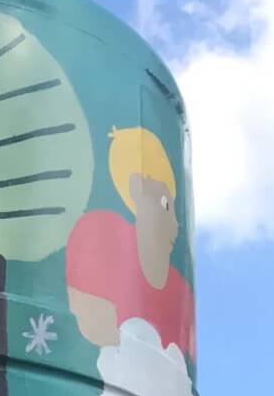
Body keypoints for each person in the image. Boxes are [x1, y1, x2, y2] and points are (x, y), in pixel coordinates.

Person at [65, 126, 195, 360]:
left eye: (175, 209)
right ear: (136, 188)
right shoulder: (99, 233)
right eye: (165, 205)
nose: (175, 224)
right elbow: (87, 323)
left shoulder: (179, 290)